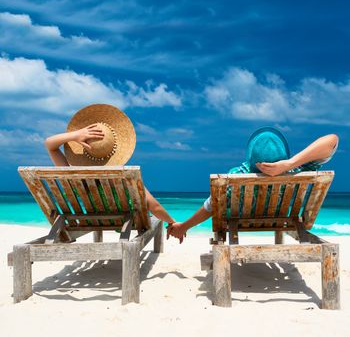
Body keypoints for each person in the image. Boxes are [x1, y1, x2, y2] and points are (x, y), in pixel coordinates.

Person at [167, 127, 339, 243]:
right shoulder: (296, 171)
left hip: (239, 222)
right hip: (281, 219)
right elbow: (332, 140)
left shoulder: (237, 176)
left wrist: (183, 226)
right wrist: (289, 165)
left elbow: (211, 206)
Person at [45, 103, 175, 225]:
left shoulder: (75, 178)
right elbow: (154, 207)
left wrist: (74, 135)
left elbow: (50, 145)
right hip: (125, 223)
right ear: (115, 150)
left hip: (92, 222)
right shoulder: (124, 178)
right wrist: (172, 223)